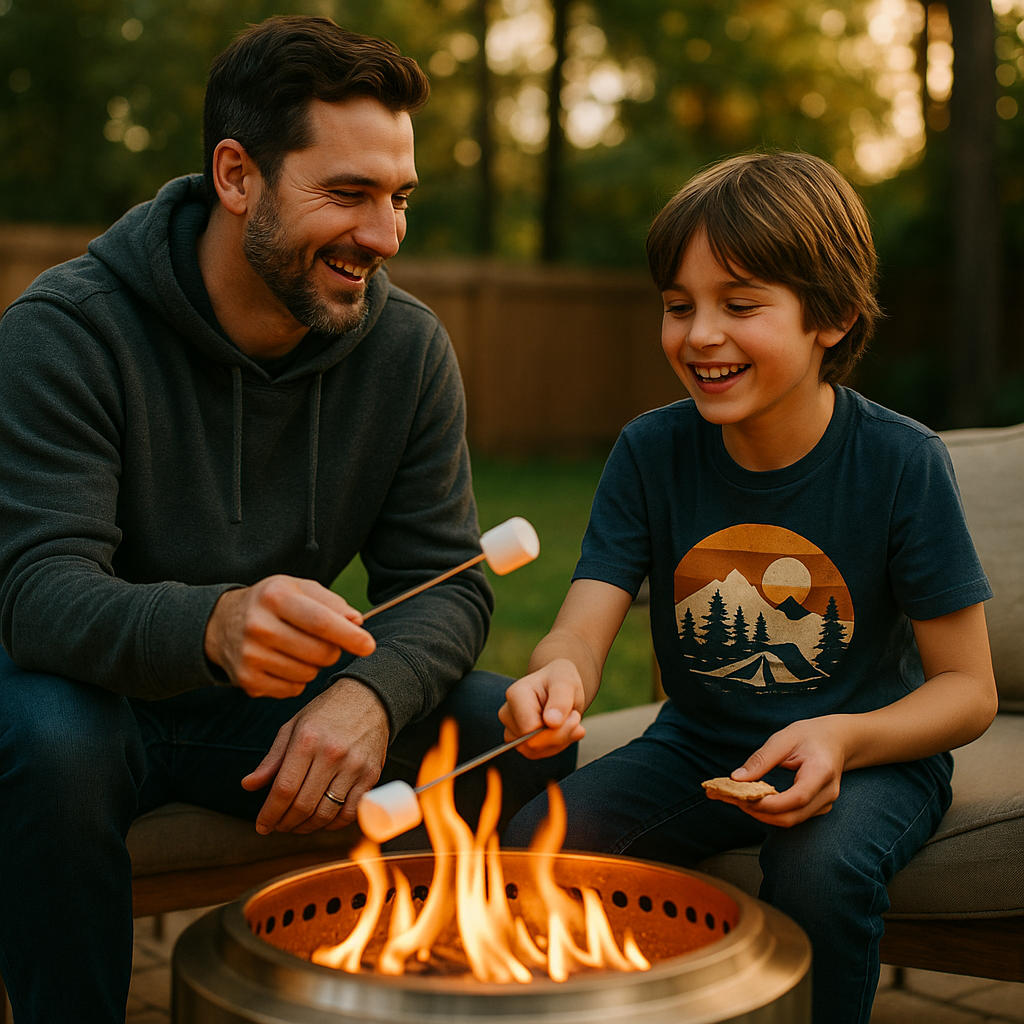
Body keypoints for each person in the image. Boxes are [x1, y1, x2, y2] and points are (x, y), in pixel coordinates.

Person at [0, 16, 573, 1023]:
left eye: (398, 198)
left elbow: (446, 580)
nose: (384, 235)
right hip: (88, 699)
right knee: (54, 741)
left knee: (509, 734)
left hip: (264, 716)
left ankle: (430, 999)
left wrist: (370, 696)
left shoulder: (406, 351)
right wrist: (213, 622)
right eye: (346, 194)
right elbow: (38, 592)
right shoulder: (66, 331)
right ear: (237, 176)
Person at [499, 152, 998, 1024]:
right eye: (678, 306)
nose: (699, 335)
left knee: (819, 869)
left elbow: (968, 690)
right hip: (698, 748)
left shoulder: (900, 463)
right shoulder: (651, 453)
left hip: (871, 758)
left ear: (832, 318)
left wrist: (842, 738)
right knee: (537, 840)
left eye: (739, 304)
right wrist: (559, 675)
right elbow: (580, 630)